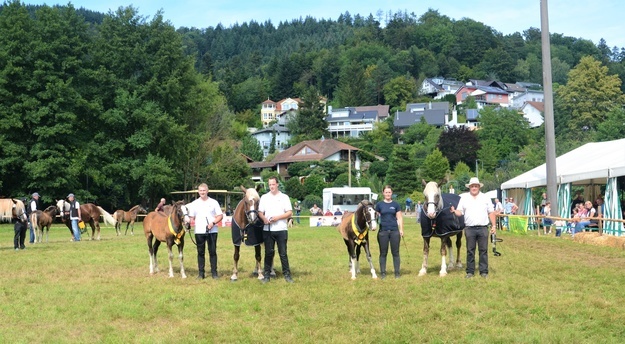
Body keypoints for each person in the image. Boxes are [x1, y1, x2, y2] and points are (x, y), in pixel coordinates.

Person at [451, 177, 497, 279]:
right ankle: (470, 272)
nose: (474, 188)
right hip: (469, 229)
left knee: (483, 250)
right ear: (469, 187)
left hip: (483, 228)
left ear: (479, 187)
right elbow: (460, 212)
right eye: (472, 186)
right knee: (470, 250)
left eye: (476, 186)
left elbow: (491, 212)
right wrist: (454, 211)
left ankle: (483, 272)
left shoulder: (485, 197)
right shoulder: (464, 198)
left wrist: (494, 226)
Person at [258, 177, 294, 283]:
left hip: (281, 229)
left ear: (277, 184)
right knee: (268, 253)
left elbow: (289, 212)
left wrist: (277, 218)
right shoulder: (264, 197)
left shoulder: (284, 197)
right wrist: (264, 219)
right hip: (268, 229)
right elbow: (260, 212)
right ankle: (267, 275)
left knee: (283, 253)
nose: (271, 187)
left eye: (273, 184)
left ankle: (287, 275)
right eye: (269, 185)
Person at [188, 183, 223, 279]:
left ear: (207, 191)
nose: (202, 192)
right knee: (200, 252)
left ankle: (214, 273)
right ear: (198, 192)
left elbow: (220, 215)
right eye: (200, 191)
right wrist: (187, 221)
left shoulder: (214, 202)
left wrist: (213, 223)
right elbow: (191, 217)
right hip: (199, 231)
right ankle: (201, 273)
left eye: (204, 190)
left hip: (212, 231)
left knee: (212, 252)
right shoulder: (194, 203)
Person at [374, 185, 404, 279]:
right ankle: (383, 273)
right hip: (383, 232)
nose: (388, 194)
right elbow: (374, 216)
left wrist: (401, 229)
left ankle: (397, 273)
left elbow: (399, 217)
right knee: (383, 253)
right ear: (383, 193)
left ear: (392, 193)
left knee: (395, 253)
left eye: (389, 192)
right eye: (386, 192)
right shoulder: (379, 205)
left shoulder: (396, 204)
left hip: (394, 231)